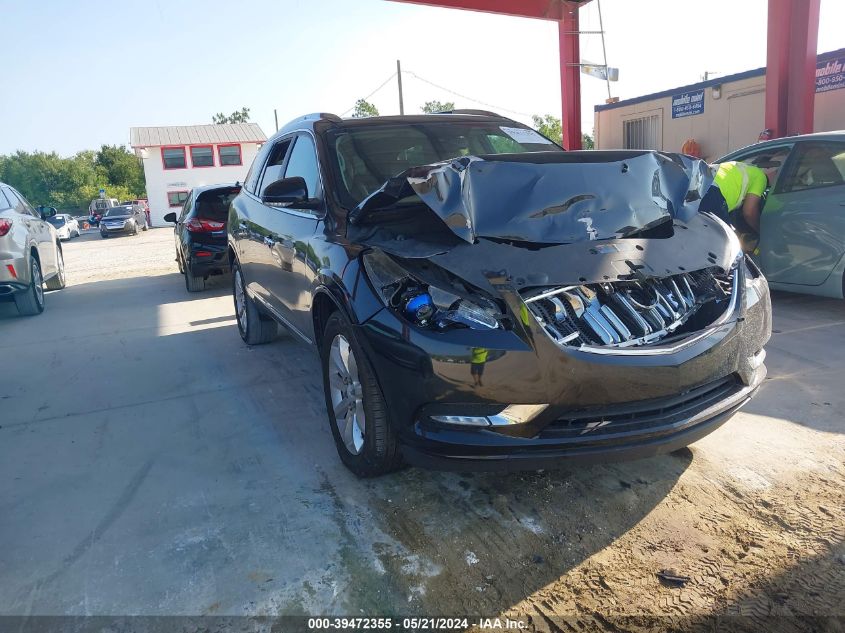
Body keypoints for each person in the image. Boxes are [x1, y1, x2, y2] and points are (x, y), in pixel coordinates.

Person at [699, 158, 781, 251]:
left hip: (697, 187)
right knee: (730, 244)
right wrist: (761, 231)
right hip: (713, 193)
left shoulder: (744, 167)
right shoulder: (761, 177)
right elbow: (749, 212)